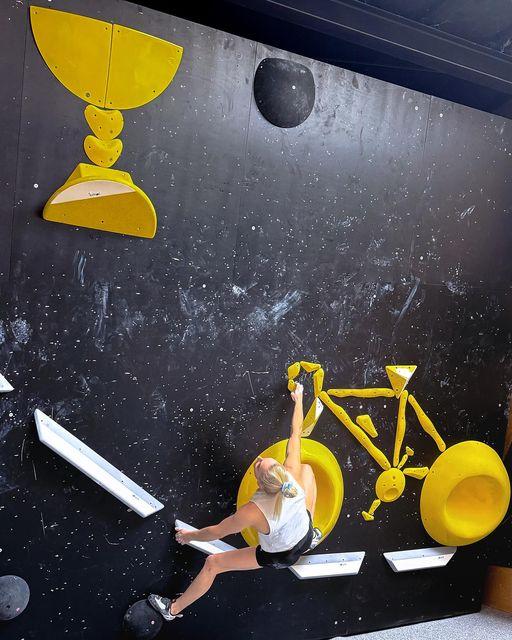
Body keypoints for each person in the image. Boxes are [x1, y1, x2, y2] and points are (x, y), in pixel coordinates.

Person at [148, 382, 322, 622]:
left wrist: (189, 537)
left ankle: (172, 610)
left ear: (260, 484)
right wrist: (299, 399)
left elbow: (216, 532)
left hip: (281, 556)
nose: (259, 459)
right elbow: (296, 432)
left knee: (213, 564)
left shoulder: (254, 511)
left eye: (259, 465)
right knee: (308, 471)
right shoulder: (291, 476)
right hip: (304, 535)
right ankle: (313, 536)